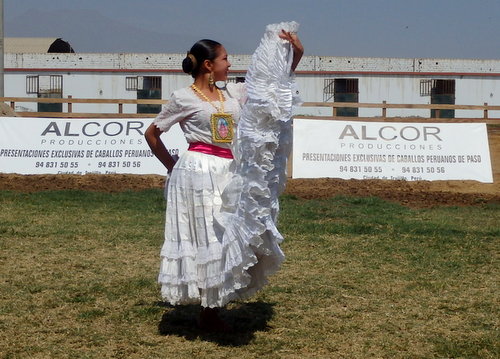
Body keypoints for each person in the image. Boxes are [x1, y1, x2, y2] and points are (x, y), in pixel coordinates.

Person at [145, 25, 303, 331]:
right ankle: (210, 311)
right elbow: (152, 133)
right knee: (208, 237)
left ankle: (214, 306)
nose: (229, 64)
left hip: (230, 172)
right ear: (209, 65)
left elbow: (272, 83)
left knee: (229, 235)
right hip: (196, 172)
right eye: (225, 59)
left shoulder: (234, 92)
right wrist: (171, 166)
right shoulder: (182, 98)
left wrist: (294, 53)